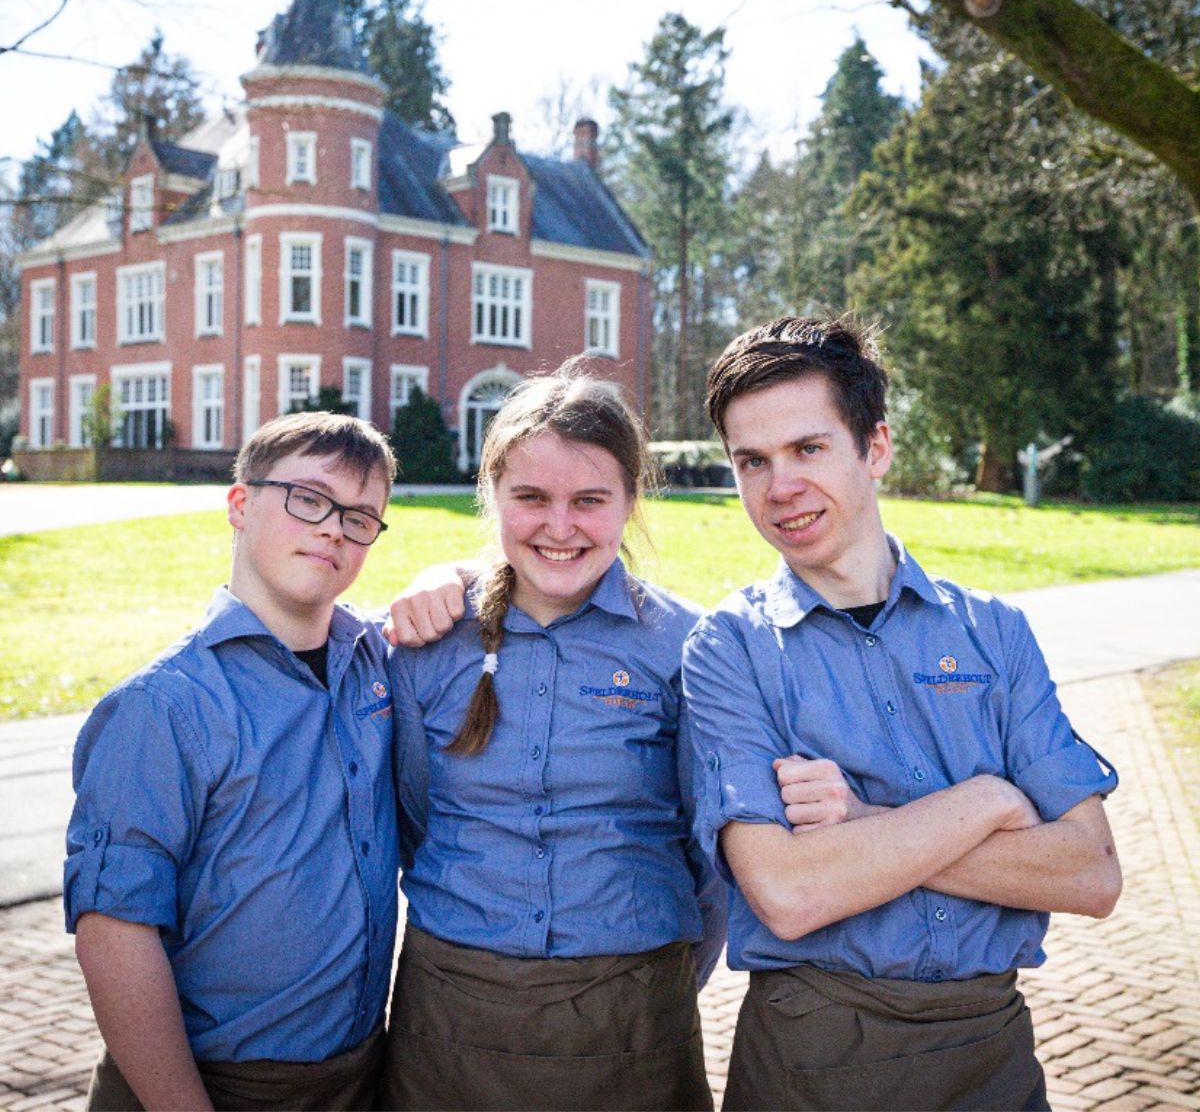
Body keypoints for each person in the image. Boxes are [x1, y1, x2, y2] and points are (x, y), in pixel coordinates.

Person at [682, 315, 1122, 1112]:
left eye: (808, 449)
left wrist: (861, 822)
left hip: (993, 1053)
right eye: (753, 461)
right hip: (810, 1054)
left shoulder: (995, 632)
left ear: (875, 448)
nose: (780, 488)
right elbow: (786, 893)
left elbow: (1090, 874)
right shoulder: (728, 649)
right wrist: (987, 801)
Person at [380, 361, 726, 1112]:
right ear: (493, 497)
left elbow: (709, 854)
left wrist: (641, 970)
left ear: (631, 503)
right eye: (530, 498)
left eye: (590, 500)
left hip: (634, 1015)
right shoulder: (425, 644)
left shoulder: (685, 647)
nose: (559, 527)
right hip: (452, 1012)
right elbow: (413, 820)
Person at [64, 412, 400, 1111]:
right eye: (309, 499)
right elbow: (116, 934)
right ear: (240, 505)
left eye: (361, 516)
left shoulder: (378, 664)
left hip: (355, 1073)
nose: (334, 527)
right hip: (204, 1084)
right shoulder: (165, 708)